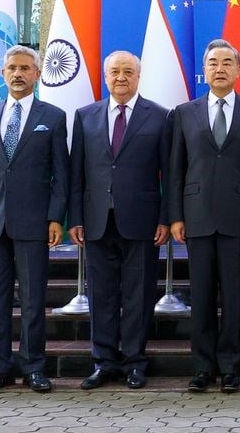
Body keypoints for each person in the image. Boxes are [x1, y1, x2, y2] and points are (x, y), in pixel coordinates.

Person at [0, 45, 69, 394]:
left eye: (25, 68)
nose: (18, 74)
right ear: (2, 73)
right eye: (12, 68)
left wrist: (55, 217)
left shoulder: (53, 116)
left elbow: (60, 174)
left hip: (33, 222)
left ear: (37, 74)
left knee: (34, 299)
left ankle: (34, 367)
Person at [167, 39, 240, 394]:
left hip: (238, 219)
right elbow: (175, 170)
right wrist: (176, 216)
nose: (220, 68)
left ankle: (230, 367)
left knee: (232, 295)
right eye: (213, 63)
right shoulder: (184, 113)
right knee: (201, 295)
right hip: (195, 218)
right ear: (204, 69)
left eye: (228, 62)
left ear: (238, 70)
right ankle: (202, 368)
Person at [68, 51, 171, 390]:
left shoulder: (159, 116)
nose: (121, 77)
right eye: (115, 72)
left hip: (142, 221)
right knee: (102, 295)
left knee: (139, 295)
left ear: (139, 76)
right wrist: (76, 217)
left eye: (128, 72)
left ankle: (135, 362)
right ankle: (104, 361)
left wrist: (165, 218)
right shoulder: (86, 117)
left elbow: (168, 175)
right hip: (97, 220)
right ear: (105, 75)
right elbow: (77, 173)